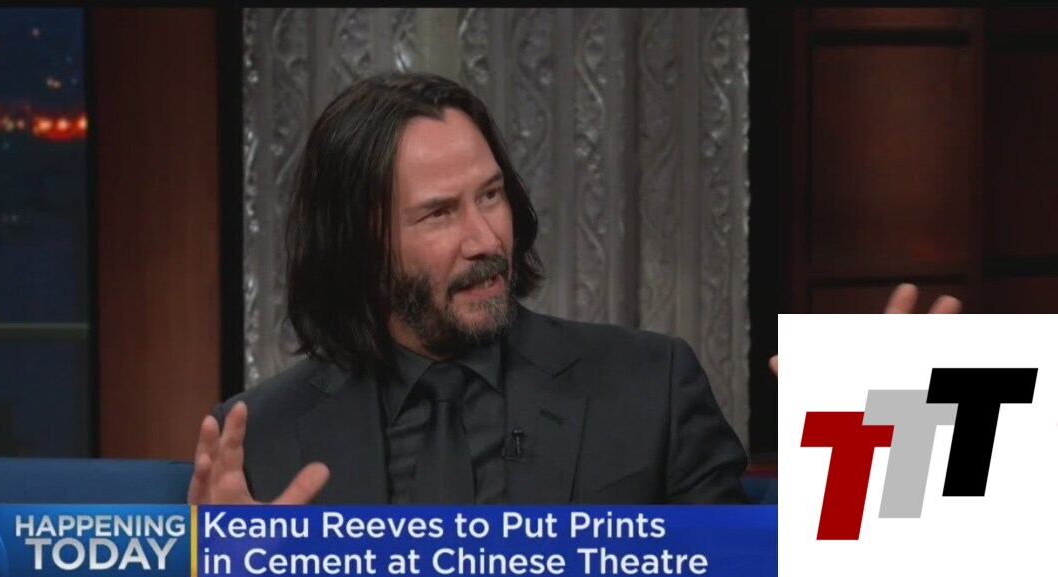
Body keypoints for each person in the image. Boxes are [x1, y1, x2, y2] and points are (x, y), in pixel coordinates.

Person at [187, 72, 961, 507]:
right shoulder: (258, 443)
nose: (485, 238)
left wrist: (875, 474)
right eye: (438, 213)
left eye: (491, 195)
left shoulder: (650, 388)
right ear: (361, 244)